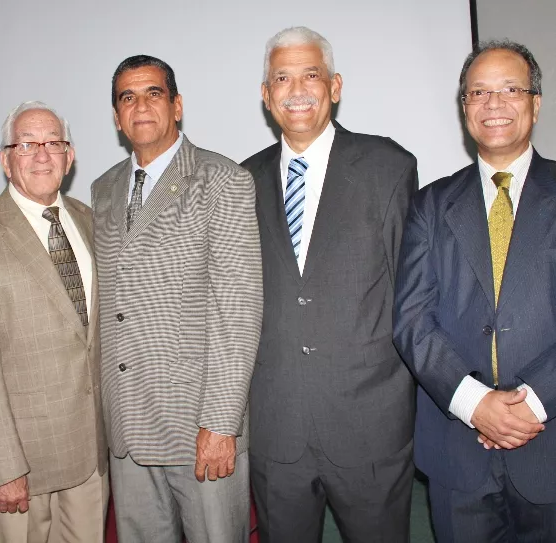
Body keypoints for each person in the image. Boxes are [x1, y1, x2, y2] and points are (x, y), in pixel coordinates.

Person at [241, 27, 419, 542]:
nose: (296, 89)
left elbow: (411, 300)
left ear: (335, 86)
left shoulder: (389, 167)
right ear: (266, 94)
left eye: (310, 74)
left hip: (369, 426)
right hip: (277, 426)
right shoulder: (239, 183)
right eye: (282, 77)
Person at [91, 55, 263, 543]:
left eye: (153, 93)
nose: (140, 106)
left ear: (177, 105)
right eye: (127, 97)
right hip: (127, 426)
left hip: (199, 428)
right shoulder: (104, 188)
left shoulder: (222, 180)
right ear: (116, 115)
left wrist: (221, 422)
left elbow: (239, 311)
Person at [393, 39, 556, 542]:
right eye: (478, 93)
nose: (494, 104)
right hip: (458, 452)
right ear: (464, 107)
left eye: (510, 89)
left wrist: (535, 401)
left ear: (535, 102)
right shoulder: (430, 204)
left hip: (548, 442)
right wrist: (475, 403)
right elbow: (412, 320)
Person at [0, 101, 108, 543]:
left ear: (70, 157)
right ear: (5, 159)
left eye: (54, 143)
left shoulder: (91, 222)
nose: (42, 155)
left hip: (89, 456)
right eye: (27, 144)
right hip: (19, 466)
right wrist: (2, 467)